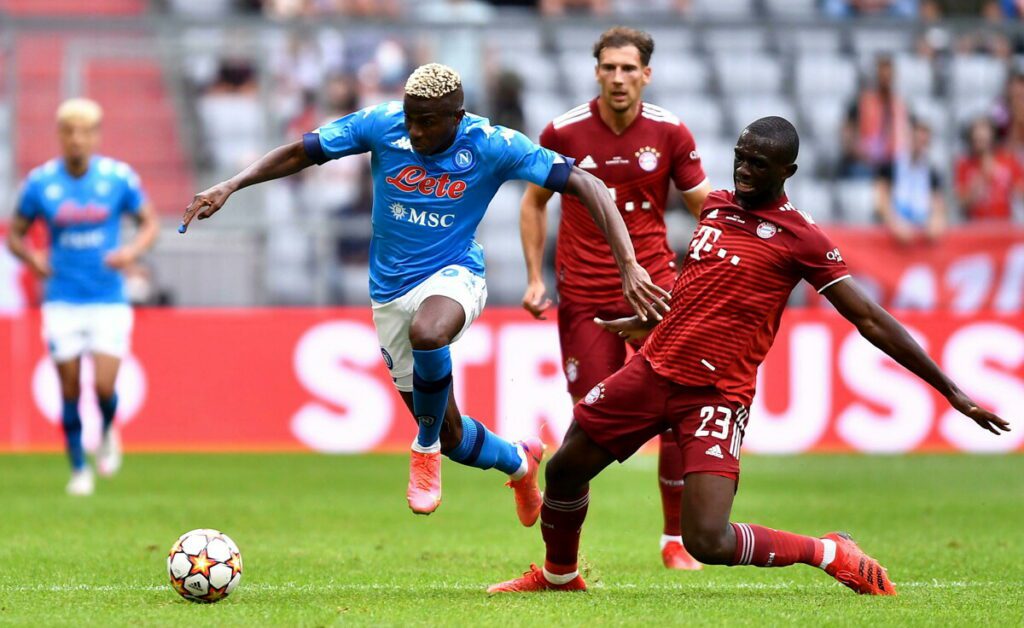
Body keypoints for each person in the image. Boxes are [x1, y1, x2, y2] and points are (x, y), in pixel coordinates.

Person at [488, 117, 1011, 595]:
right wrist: (650, 323)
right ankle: (560, 577)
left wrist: (952, 391)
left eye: (757, 163)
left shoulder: (801, 237)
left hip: (715, 396)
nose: (743, 170)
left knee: (707, 541)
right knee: (564, 469)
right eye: (740, 157)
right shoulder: (716, 205)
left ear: (788, 172)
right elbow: (701, 292)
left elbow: (870, 319)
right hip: (652, 369)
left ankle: (830, 552)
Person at [180, 63, 669, 522]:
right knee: (454, 434)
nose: (415, 132)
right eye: (411, 119)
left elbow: (586, 183)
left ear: (457, 117)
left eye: (428, 122)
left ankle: (423, 449)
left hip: (456, 275)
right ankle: (519, 462)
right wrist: (232, 184)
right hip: (389, 292)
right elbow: (302, 151)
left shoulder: (492, 144)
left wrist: (628, 264)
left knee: (430, 334)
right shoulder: (382, 124)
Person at [519, 26, 710, 570]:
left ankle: (675, 539)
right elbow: (533, 203)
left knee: (680, 408)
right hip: (586, 296)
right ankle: (559, 544)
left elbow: (705, 208)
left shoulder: (670, 132)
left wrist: (705, 278)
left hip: (654, 292)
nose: (619, 78)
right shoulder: (564, 132)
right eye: (609, 68)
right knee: (589, 422)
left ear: (646, 74)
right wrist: (534, 278)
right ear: (597, 72)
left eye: (629, 68)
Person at [6, 98, 159, 495]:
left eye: (85, 131)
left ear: (96, 136)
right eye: (69, 131)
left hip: (108, 297)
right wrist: (32, 258)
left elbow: (149, 222)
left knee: (104, 387)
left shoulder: (118, 178)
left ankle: (107, 428)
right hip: (62, 298)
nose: (76, 139)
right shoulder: (40, 183)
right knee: (70, 389)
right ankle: (78, 468)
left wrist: (131, 252)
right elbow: (15, 233)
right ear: (60, 135)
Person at [875, 117, 947, 243]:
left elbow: (938, 205)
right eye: (916, 137)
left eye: (924, 140)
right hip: (895, 230)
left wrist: (936, 220)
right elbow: (881, 201)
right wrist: (894, 222)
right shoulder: (890, 166)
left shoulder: (932, 172)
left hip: (921, 230)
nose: (920, 143)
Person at [839, 55, 908, 179]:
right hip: (865, 161)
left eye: (888, 76)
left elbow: (905, 135)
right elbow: (847, 131)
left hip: (892, 161)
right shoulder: (862, 102)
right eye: (882, 76)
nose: (885, 81)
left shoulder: (899, 104)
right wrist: (858, 151)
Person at [955, 116, 1024, 222]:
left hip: (1005, 223)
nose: (980, 141)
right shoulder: (964, 164)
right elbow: (961, 202)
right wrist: (976, 187)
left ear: (992, 136)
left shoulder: (1008, 160)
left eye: (983, 139)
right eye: (977, 139)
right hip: (976, 224)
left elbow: (1020, 191)